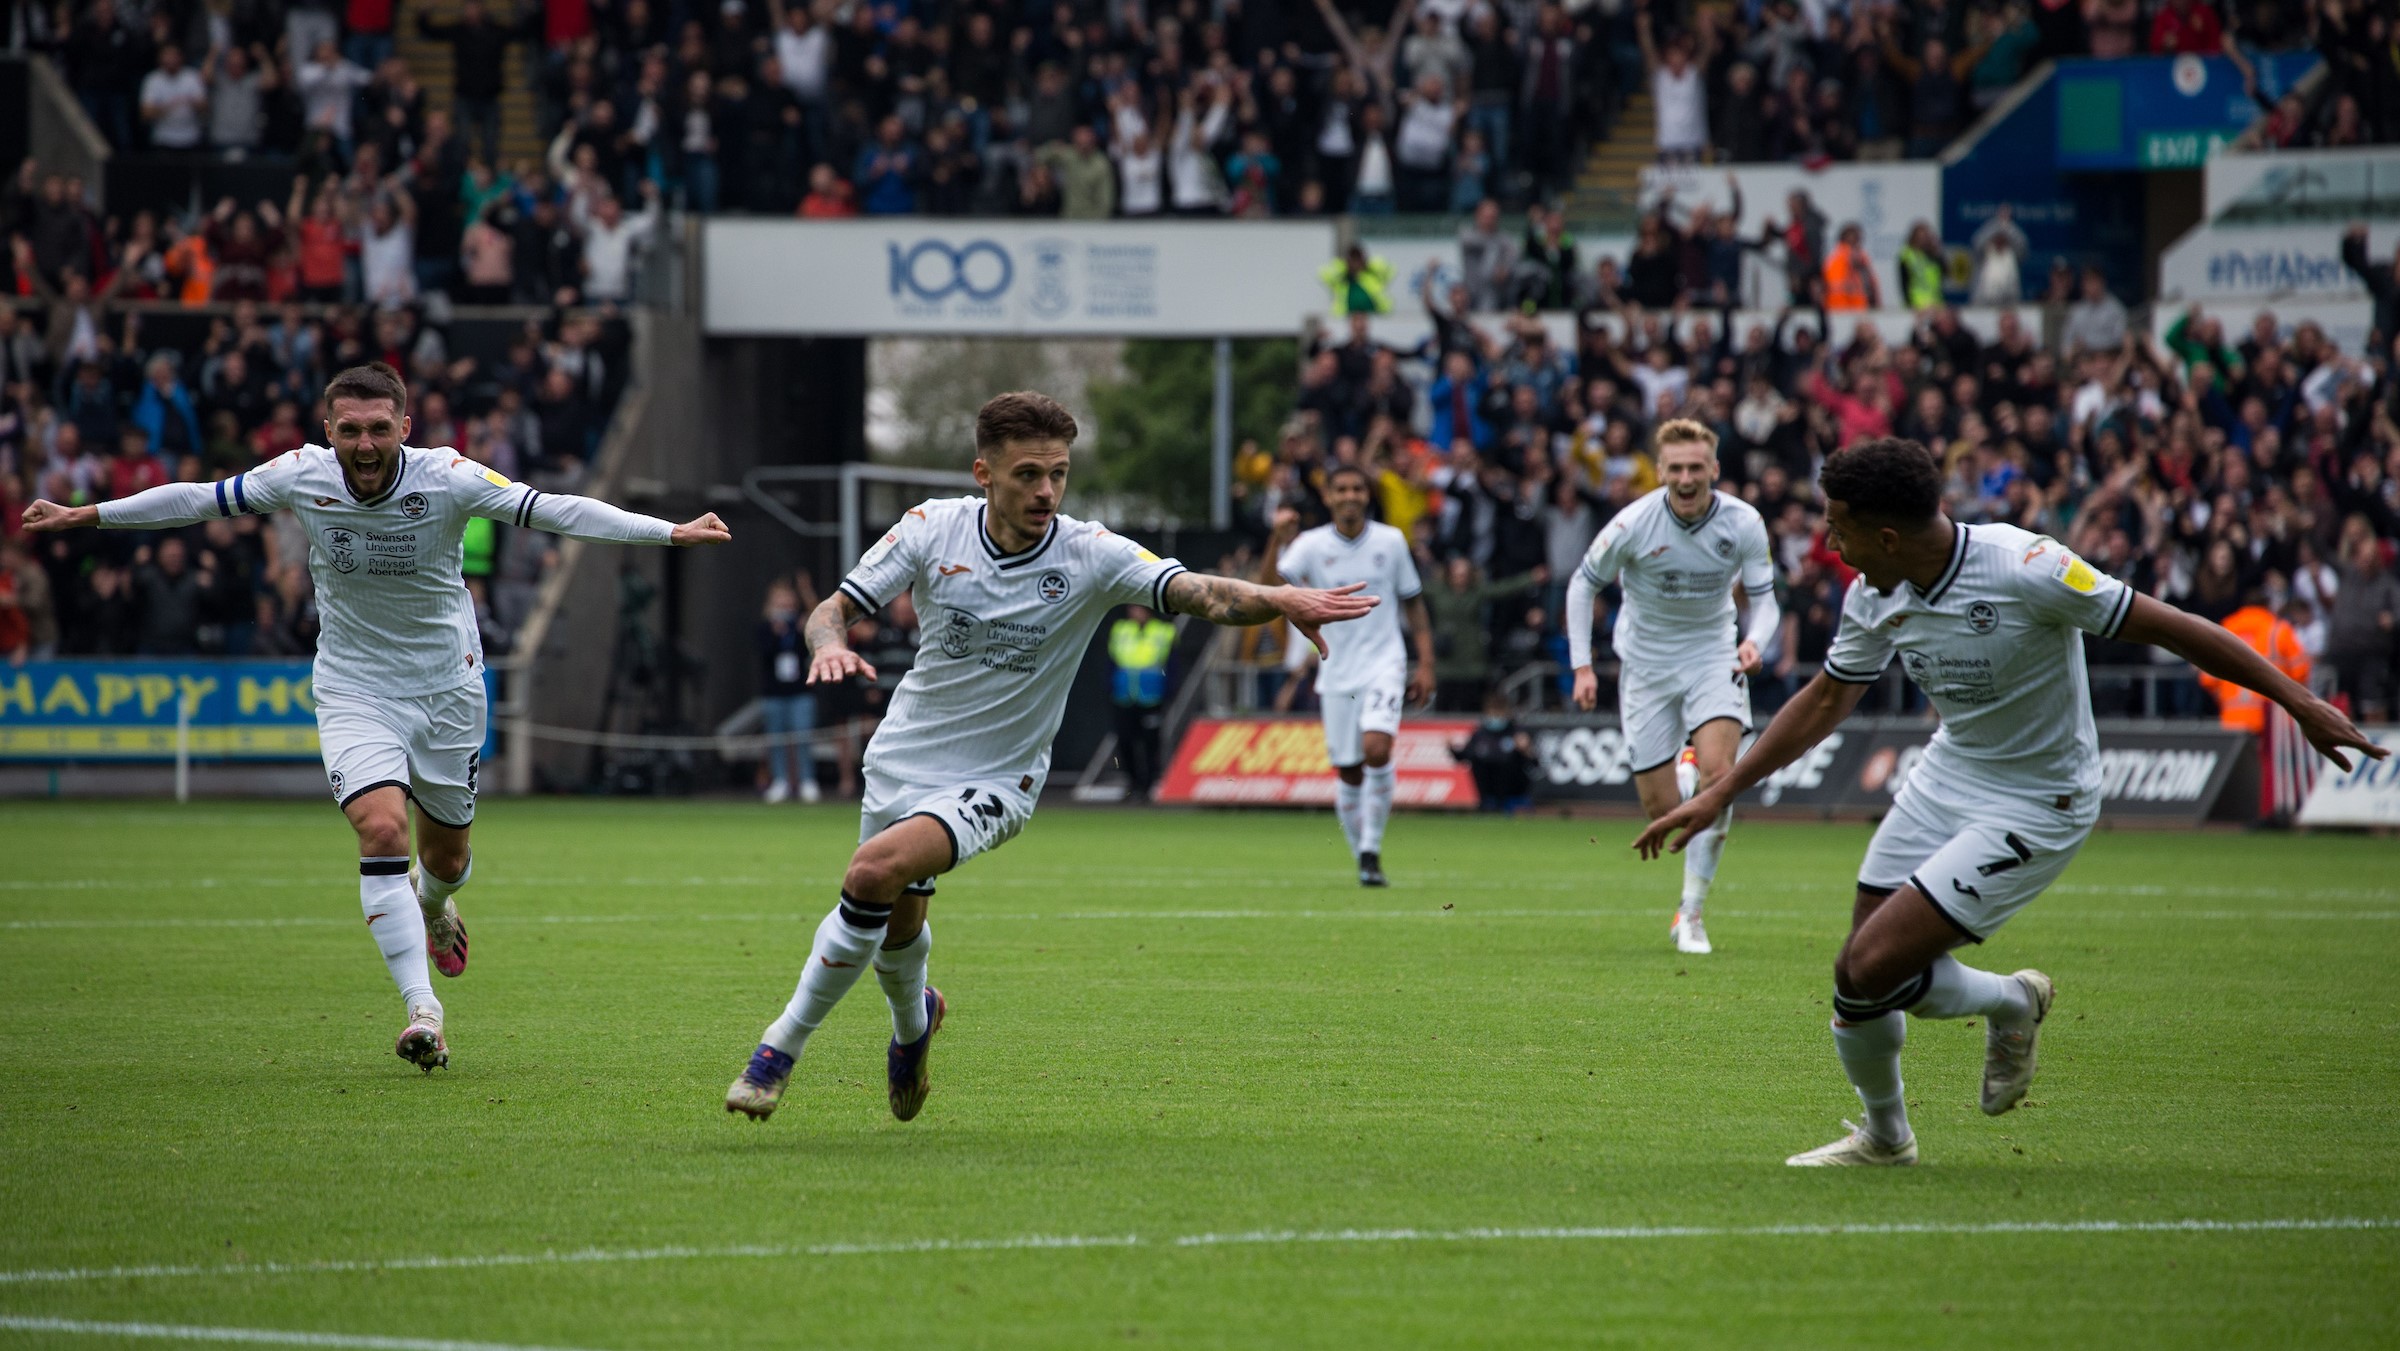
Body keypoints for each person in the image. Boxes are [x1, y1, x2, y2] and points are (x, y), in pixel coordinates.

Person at [1635, 437, 2382, 1166]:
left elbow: (2177, 628)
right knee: (1867, 980)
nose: (1829, 541)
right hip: (1950, 772)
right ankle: (1895, 1128)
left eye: (1839, 525)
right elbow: (1828, 696)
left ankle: (1999, 1016)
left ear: (1887, 535)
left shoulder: (2028, 566)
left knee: (1864, 967)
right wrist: (1722, 791)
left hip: (2040, 798)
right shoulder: (1876, 592)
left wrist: (2299, 700)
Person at [21, 363, 731, 1073]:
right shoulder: (301, 473)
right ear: (328, 430)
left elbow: (554, 508)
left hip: (448, 690)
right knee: (383, 826)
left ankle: (434, 904)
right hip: (355, 687)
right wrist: (90, 514)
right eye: (350, 430)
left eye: (379, 429)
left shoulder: (447, 476)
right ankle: (424, 1011)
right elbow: (200, 500)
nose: (365, 445)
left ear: (405, 428)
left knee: (446, 858)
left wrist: (668, 532)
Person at [724, 392, 1375, 1124]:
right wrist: (831, 645)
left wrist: (1278, 598)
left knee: (871, 872)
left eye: (1058, 474)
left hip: (1001, 777)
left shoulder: (1089, 552)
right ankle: (915, 1024)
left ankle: (778, 1048)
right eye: (1028, 473)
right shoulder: (930, 529)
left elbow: (1197, 592)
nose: (1045, 491)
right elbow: (830, 610)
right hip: (902, 759)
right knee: (894, 919)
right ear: (983, 473)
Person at [1565, 419, 1778, 956]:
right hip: (1647, 667)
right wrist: (1582, 666)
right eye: (1676, 468)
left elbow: (1766, 598)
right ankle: (1686, 773)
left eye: (1696, 467)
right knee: (1663, 813)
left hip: (1713, 656)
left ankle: (1692, 912)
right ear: (1660, 472)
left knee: (1721, 778)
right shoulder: (1633, 524)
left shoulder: (1744, 522)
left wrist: (1755, 641)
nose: (1686, 478)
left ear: (1714, 469)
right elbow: (1582, 583)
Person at [1265, 466, 1436, 887]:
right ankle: (1363, 856)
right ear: (1328, 497)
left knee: (1376, 749)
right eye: (1341, 489)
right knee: (1348, 771)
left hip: (1385, 662)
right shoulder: (1310, 545)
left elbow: (1413, 604)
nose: (1350, 496)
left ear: (1367, 495)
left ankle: (1372, 848)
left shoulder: (1391, 541)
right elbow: (1266, 588)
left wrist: (1426, 664)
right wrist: (1276, 538)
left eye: (1357, 488)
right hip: (1336, 668)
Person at [757, 579, 819, 803]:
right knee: (776, 739)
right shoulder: (765, 627)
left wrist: (802, 628)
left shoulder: (800, 625)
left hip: (800, 691)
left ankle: (807, 780)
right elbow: (763, 654)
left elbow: (818, 619)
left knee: (803, 736)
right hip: (774, 693)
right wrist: (776, 633)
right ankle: (780, 781)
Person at [1108, 602, 1175, 800]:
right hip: (1124, 694)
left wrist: (1168, 691)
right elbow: (1111, 661)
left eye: (1138, 609)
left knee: (1151, 742)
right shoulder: (1121, 629)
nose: (1134, 613)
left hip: (1151, 695)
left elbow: (1173, 665)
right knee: (1125, 740)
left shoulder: (1164, 631)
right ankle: (1132, 783)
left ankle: (1150, 783)